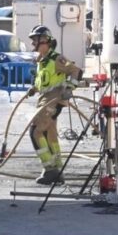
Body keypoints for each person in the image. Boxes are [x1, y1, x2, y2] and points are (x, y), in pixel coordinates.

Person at [26, 25, 83, 185]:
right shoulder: (42, 62)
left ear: (45, 41)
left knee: (36, 131)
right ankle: (57, 171)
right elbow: (46, 81)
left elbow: (76, 71)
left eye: (35, 40)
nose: (33, 44)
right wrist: (34, 88)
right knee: (50, 135)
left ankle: (50, 169)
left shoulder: (56, 59)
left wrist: (70, 88)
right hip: (45, 99)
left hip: (54, 100)